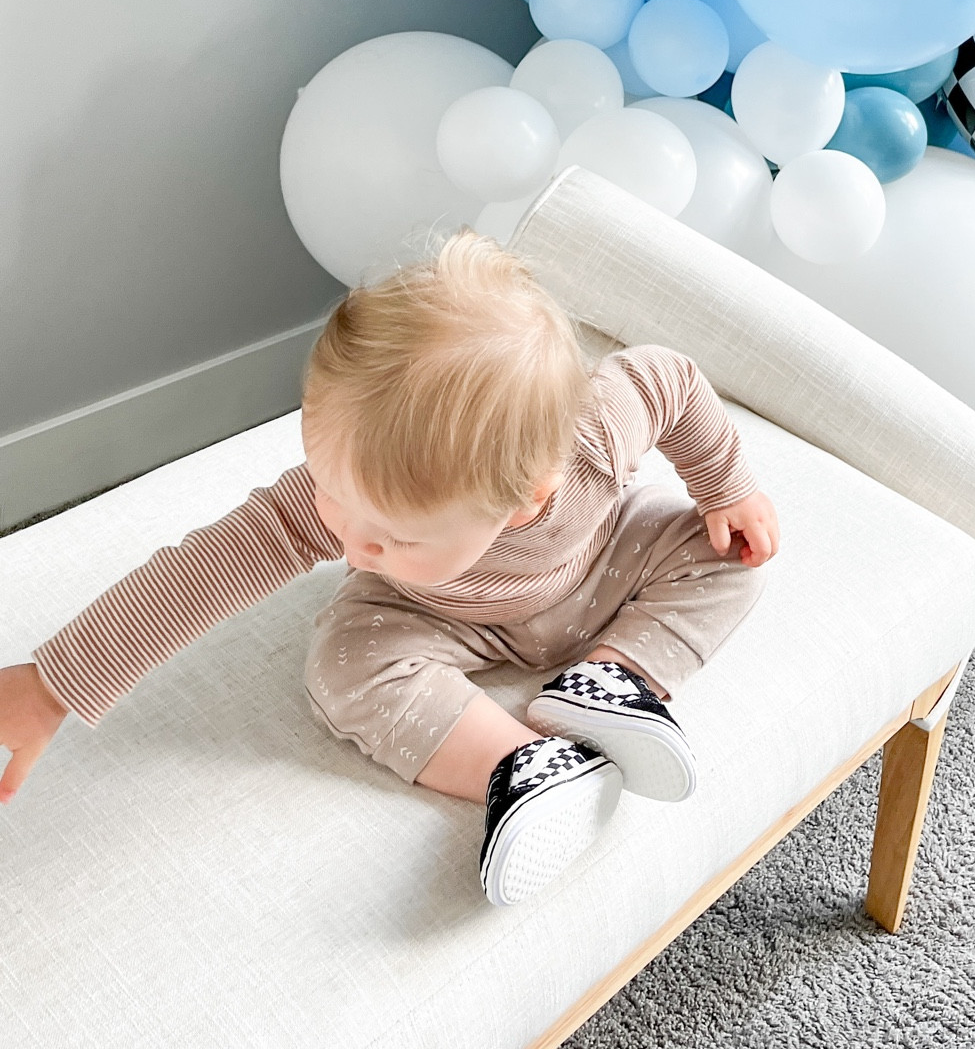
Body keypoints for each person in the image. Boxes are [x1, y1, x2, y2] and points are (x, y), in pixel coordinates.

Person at [0, 230, 779, 904]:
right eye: (334, 494)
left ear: (523, 499)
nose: (351, 540)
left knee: (732, 559)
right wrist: (52, 683)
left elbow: (669, 378)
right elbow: (198, 573)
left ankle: (612, 680)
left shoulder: (598, 434)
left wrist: (725, 485)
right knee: (343, 665)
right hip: (437, 619)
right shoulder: (337, 513)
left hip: (601, 564)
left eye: (396, 535)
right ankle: (528, 765)